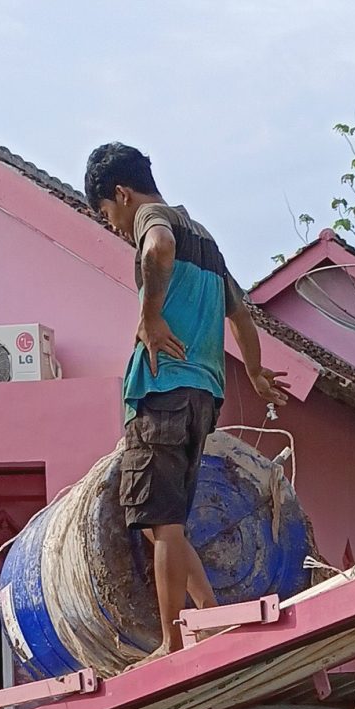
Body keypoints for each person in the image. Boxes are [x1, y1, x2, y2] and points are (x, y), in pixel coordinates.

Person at [83, 141, 293, 655]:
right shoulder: (205, 239)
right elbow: (241, 315)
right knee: (165, 526)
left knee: (159, 522)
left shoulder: (152, 219)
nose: (112, 225)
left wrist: (149, 314)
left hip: (162, 393)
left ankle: (173, 643)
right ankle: (211, 616)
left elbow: (156, 249)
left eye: (107, 213)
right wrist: (258, 371)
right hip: (203, 395)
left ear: (122, 194)